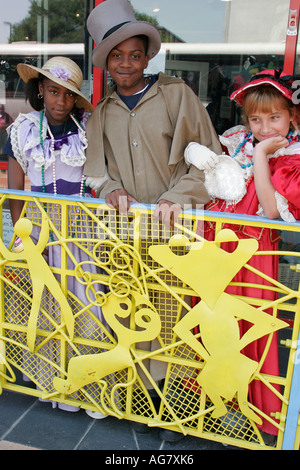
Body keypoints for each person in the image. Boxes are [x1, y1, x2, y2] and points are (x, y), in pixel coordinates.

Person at [83, 0, 221, 441]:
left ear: (148, 57)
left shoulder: (178, 95)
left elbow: (209, 158)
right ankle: (144, 400)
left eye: (135, 54)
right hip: (125, 233)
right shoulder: (101, 112)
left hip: (175, 230)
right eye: (117, 56)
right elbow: (95, 171)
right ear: (106, 61)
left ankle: (179, 408)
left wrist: (177, 196)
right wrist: (111, 190)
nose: (127, 63)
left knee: (174, 313)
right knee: (132, 310)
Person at [184, 69, 300, 443]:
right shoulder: (234, 141)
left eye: (274, 117)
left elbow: (269, 211)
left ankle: (250, 411)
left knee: (246, 326)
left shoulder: (289, 157)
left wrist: (263, 155)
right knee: (210, 319)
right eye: (255, 118)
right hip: (213, 244)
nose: (264, 127)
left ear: (292, 117)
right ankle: (204, 403)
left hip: (251, 253)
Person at [3, 56, 109, 419]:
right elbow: (15, 190)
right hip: (40, 234)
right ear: (40, 91)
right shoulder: (23, 130)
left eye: (67, 95)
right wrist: (23, 237)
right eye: (52, 92)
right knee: (47, 307)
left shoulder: (88, 129)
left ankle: (89, 389)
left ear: (76, 99)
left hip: (80, 234)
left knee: (87, 305)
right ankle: (53, 385)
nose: (59, 101)